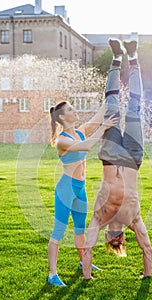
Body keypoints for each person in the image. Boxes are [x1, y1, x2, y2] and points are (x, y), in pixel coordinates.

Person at [82, 33, 152, 280]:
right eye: (116, 240)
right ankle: (132, 57)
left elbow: (87, 246)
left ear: (106, 236)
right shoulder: (134, 220)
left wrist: (87, 276)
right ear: (121, 237)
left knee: (111, 107)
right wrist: (146, 274)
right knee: (134, 107)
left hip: (111, 156)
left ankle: (116, 58)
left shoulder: (100, 217)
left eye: (111, 240)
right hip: (133, 158)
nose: (113, 237)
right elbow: (147, 247)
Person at [48, 99, 118, 286]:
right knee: (58, 232)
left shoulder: (80, 131)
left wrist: (111, 95)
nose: (75, 110)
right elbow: (87, 146)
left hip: (80, 188)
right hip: (66, 189)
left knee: (80, 229)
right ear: (63, 116)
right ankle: (52, 274)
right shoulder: (62, 140)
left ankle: (83, 262)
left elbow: (99, 115)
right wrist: (103, 128)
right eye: (71, 109)